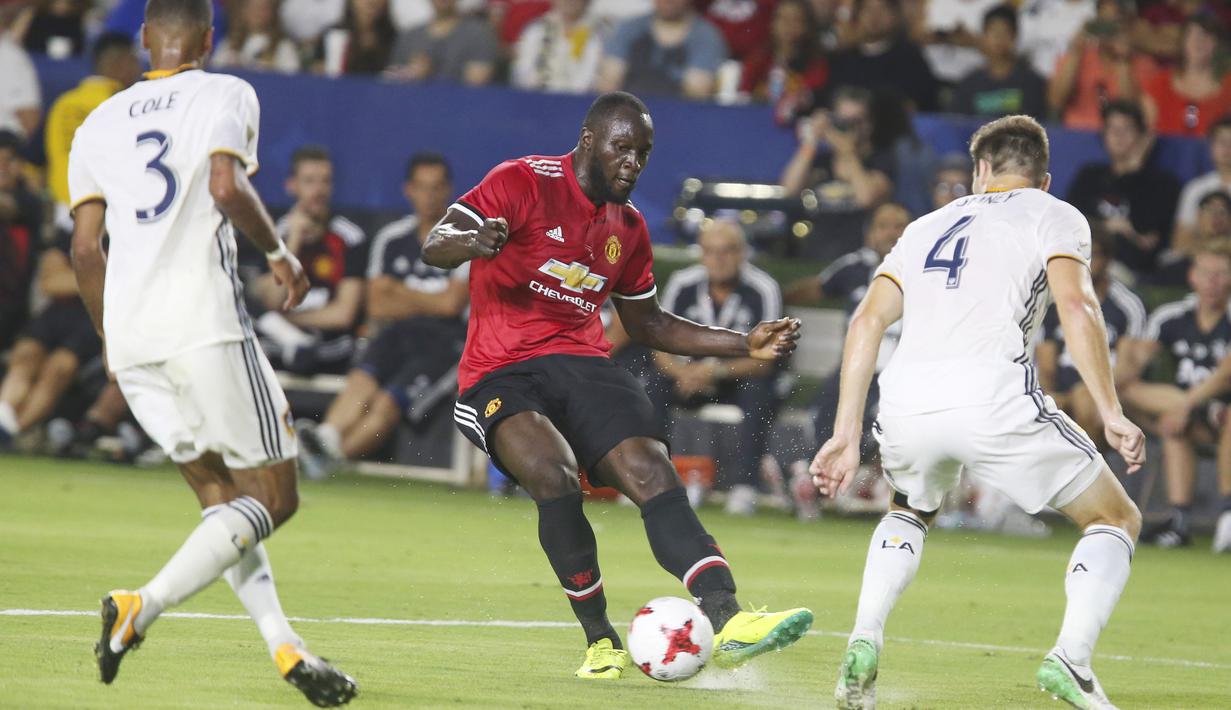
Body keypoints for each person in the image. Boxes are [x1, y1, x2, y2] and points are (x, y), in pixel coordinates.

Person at [422, 91, 813, 679]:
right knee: (552, 474)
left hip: (583, 365)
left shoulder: (627, 228)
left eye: (643, 153)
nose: (633, 163)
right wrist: (470, 243)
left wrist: (742, 342)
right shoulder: (522, 181)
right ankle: (599, 637)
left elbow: (649, 323)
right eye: (621, 148)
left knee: (652, 470)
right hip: (500, 372)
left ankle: (729, 618)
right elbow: (436, 243)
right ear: (588, 142)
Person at [66, 1, 356, 704]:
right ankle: (145, 604)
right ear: (209, 39)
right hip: (205, 324)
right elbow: (227, 185)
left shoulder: (97, 122)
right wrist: (281, 251)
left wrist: (113, 338)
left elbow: (84, 248)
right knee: (272, 498)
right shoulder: (225, 92)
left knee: (220, 503)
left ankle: (285, 646)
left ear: (143, 40)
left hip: (134, 337)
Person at [811, 115, 1145, 710]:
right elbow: (1076, 302)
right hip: (993, 394)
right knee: (1114, 520)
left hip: (907, 398)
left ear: (979, 171)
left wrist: (843, 432)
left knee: (910, 508)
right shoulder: (1055, 213)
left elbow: (865, 321)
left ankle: (864, 636)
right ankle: (1072, 658)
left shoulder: (925, 226)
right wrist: (1110, 409)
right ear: (1043, 179)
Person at [297, 153, 468, 474]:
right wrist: (422, 298)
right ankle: (326, 439)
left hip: (444, 343)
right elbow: (376, 305)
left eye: (436, 188)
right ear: (409, 190)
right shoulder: (392, 239)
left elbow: (450, 306)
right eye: (422, 187)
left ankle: (329, 464)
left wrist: (397, 290)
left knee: (388, 402)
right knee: (362, 379)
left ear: (448, 191)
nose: (428, 196)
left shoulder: (464, 240)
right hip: (397, 333)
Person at [646, 220, 784, 516]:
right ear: (701, 254)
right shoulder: (683, 284)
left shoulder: (763, 289)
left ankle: (744, 487)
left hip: (736, 380)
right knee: (653, 386)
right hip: (688, 378)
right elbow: (659, 344)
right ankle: (651, 478)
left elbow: (767, 357)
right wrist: (681, 372)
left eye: (727, 251)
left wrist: (715, 371)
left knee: (759, 392)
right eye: (711, 251)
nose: (719, 259)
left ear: (743, 252)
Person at [1120, 241, 1231, 548]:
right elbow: (1135, 366)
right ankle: (1178, 523)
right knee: (1136, 395)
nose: (1212, 282)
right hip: (1185, 411)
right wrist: (1126, 360)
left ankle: (1228, 515)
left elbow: (1225, 375)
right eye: (1206, 273)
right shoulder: (1172, 315)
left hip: (1223, 409)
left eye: (1221, 274)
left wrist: (1189, 404)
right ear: (1193, 276)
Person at [252, 146, 367, 375]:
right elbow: (273, 300)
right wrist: (293, 241)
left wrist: (284, 322)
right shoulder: (273, 233)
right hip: (276, 344)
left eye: (325, 182)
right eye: (309, 181)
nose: (319, 190)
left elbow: (343, 315)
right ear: (291, 185)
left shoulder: (350, 237)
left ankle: (293, 343)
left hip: (329, 347)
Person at [1037, 226, 1147, 449]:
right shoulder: (1051, 302)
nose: (1085, 260)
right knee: (1043, 406)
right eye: (1079, 253)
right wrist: (1050, 397)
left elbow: (1127, 367)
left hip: (1110, 393)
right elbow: (1046, 366)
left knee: (1084, 398)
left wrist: (1092, 389)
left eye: (1093, 254)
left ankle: (1090, 471)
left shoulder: (1127, 305)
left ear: (1108, 260)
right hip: (1062, 390)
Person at [0, 217, 100, 449]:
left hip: (94, 315)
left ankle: (11, 431)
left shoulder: (126, 226)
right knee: (25, 355)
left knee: (59, 368)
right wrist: (95, 278)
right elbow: (50, 281)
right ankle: (4, 416)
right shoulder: (74, 223)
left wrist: (75, 276)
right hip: (59, 311)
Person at [1066, 100, 1180, 278]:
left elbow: (1147, 244)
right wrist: (1114, 228)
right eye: (1112, 129)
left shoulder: (1162, 183)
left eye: (1127, 129)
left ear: (1143, 136)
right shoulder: (1089, 175)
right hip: (1082, 259)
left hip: (1131, 269)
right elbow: (1070, 222)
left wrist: (1135, 171)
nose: (1119, 136)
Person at [44, 33, 141, 218]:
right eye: (135, 62)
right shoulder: (125, 105)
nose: (139, 70)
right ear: (122, 64)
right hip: (101, 214)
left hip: (62, 212)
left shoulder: (63, 103)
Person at [780, 86, 894, 213]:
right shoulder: (823, 160)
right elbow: (790, 190)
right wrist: (811, 140)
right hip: (820, 229)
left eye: (856, 121)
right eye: (843, 120)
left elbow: (866, 199)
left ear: (869, 124)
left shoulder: (880, 159)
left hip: (859, 230)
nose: (849, 127)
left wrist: (848, 153)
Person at [1048, 0, 1157, 131]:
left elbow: (1132, 113)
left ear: (1129, 25)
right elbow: (1055, 102)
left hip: (1121, 138)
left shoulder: (1145, 64)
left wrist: (1123, 61)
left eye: (1115, 24)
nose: (1109, 33)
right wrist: (1076, 52)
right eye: (1105, 23)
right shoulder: (1079, 56)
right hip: (1077, 134)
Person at [595, 0, 728, 100]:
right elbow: (608, 84)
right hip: (628, 115)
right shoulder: (630, 28)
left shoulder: (706, 36)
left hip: (679, 118)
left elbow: (697, 94)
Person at [827, 0, 939, 113]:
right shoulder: (842, 58)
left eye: (883, 9)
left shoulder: (911, 59)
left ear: (895, 15)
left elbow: (917, 104)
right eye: (868, 9)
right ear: (858, 15)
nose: (875, 16)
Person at [948, 4, 1048, 121]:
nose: (999, 38)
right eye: (993, 32)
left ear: (1015, 37)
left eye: (1005, 32)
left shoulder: (1032, 83)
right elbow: (958, 126)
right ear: (983, 36)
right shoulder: (969, 83)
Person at [738, 0, 830, 126]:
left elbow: (812, 95)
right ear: (772, 23)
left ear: (807, 26)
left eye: (796, 20)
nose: (788, 26)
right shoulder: (758, 60)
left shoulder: (815, 63)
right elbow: (744, 93)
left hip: (796, 126)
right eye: (783, 19)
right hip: (757, 122)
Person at [1141, 12, 1231, 138]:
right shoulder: (1159, 82)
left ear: (1218, 44)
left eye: (1206, 35)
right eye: (1192, 35)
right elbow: (1145, 134)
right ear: (1183, 42)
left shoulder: (1228, 86)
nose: (1198, 41)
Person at [388, 0, 499, 85]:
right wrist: (411, 73)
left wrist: (430, 75)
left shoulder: (478, 33)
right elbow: (390, 78)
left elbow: (476, 84)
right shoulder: (410, 36)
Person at [510, 0, 602, 94]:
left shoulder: (595, 34)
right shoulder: (536, 30)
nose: (570, 2)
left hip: (576, 101)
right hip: (535, 97)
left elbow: (589, 76)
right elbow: (523, 70)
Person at [1173, 116, 1231, 257]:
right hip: (1201, 261)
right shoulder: (1195, 188)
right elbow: (1181, 242)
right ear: (1210, 147)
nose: (1227, 148)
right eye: (1221, 142)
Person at [212, 0, 301, 73]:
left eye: (263, 8)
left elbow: (291, 80)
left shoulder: (283, 47)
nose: (256, 13)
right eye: (252, 8)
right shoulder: (229, 44)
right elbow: (216, 69)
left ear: (273, 12)